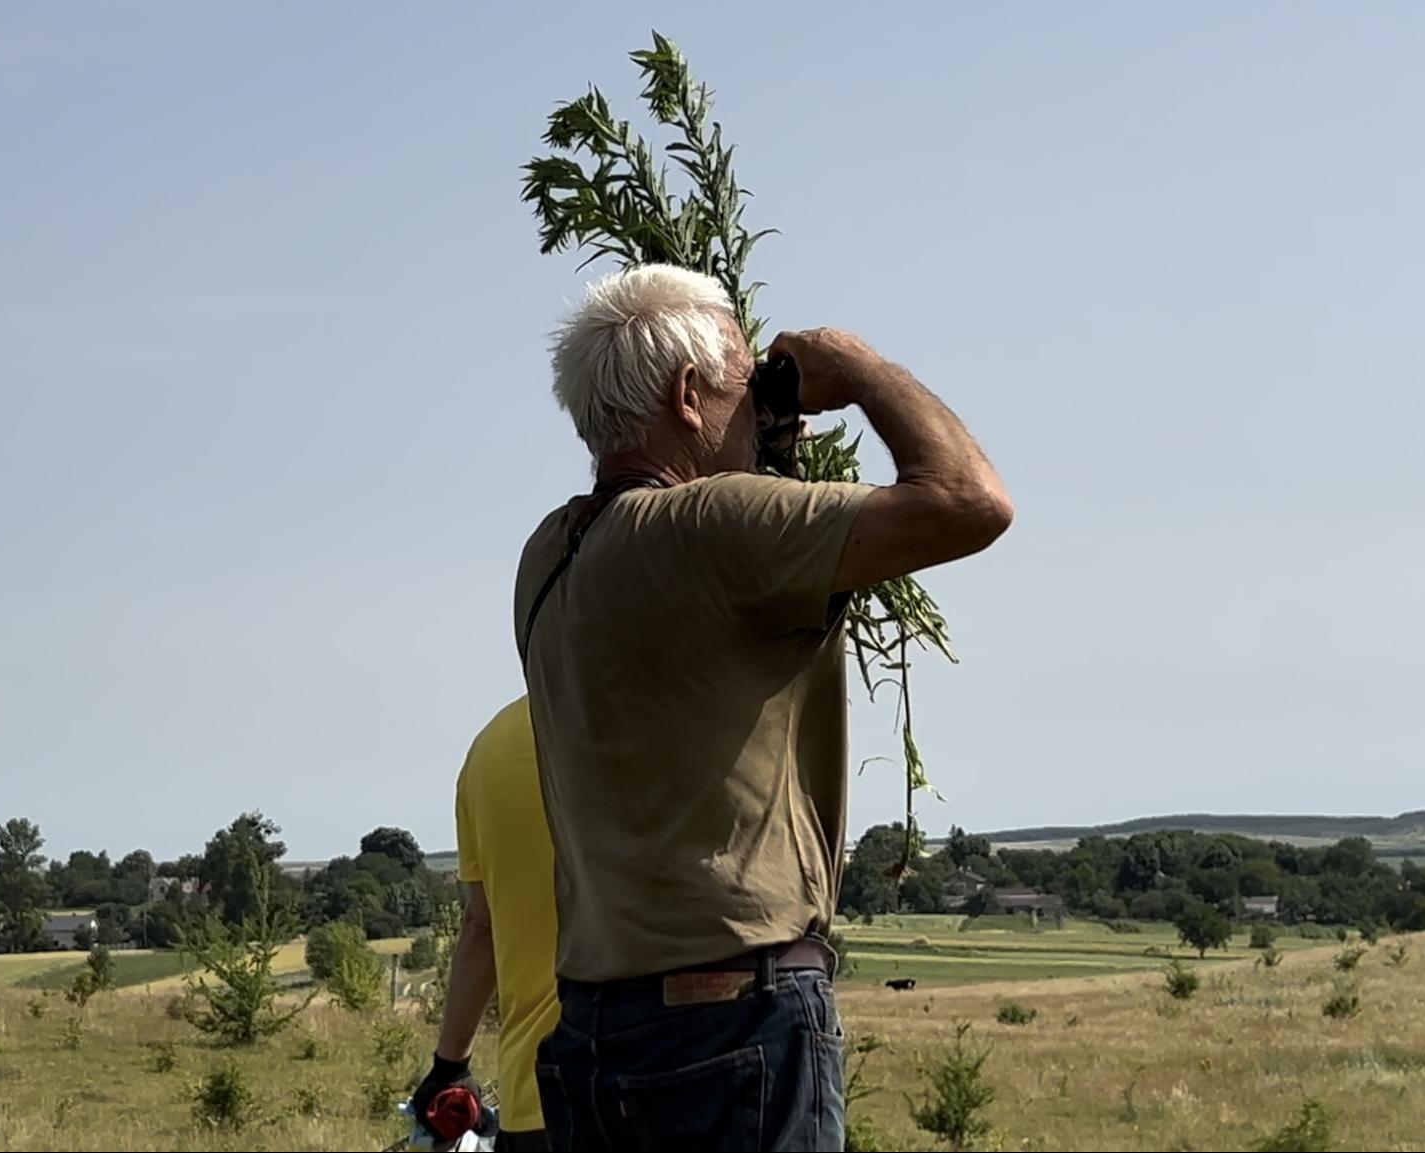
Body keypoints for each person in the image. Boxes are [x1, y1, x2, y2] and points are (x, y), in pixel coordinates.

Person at [514, 264, 1012, 1151]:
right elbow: (970, 501)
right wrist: (859, 369)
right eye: (747, 383)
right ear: (687, 394)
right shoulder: (711, 528)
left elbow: (720, 628)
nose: (759, 402)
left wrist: (765, 441)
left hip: (599, 1024)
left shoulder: (550, 553)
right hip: (732, 1021)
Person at [409, 696, 560, 1153]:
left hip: (536, 1095)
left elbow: (480, 924)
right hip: (675, 1073)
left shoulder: (489, 749)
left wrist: (450, 1066)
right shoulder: (674, 702)